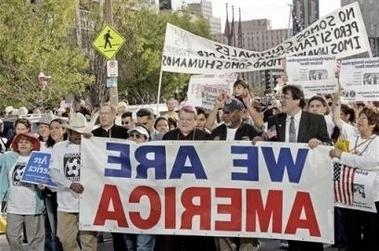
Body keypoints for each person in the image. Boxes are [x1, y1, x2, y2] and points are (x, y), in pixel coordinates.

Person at [263, 85, 330, 251]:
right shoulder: (274, 120)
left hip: (310, 182)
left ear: (297, 100)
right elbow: (271, 145)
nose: (281, 101)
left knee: (310, 227)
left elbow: (328, 144)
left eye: (285, 97)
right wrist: (259, 140)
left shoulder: (315, 120)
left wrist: (320, 144)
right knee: (292, 225)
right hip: (285, 182)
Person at [160, 105, 215, 251]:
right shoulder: (168, 137)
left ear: (196, 121)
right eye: (182, 119)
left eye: (188, 120)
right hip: (174, 194)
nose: (184, 123)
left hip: (198, 195)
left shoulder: (205, 138)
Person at [330, 87, 379, 250]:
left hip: (373, 197)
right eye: (359, 117)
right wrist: (337, 99)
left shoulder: (377, 141)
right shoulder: (352, 136)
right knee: (352, 236)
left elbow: (370, 162)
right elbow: (337, 120)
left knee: (372, 236)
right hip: (350, 196)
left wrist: (343, 156)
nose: (358, 120)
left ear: (372, 123)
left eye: (363, 118)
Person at [209, 97, 260, 251]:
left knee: (246, 225)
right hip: (222, 186)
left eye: (229, 112)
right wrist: (215, 107)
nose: (225, 115)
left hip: (245, 187)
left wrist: (260, 141)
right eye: (223, 112)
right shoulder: (217, 131)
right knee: (222, 226)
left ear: (240, 113)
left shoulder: (250, 130)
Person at [50, 113, 97, 251]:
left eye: (81, 133)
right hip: (65, 203)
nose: (78, 136)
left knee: (89, 242)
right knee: (66, 240)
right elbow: (53, 171)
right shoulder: (59, 148)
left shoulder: (93, 147)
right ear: (69, 131)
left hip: (88, 202)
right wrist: (69, 184)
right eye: (75, 132)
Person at [0, 133, 45, 251]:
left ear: (33, 145)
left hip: (33, 205)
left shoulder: (39, 159)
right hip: (13, 206)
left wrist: (42, 185)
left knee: (35, 240)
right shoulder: (8, 157)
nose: (23, 144)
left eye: (27, 142)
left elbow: (45, 181)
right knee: (12, 236)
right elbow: (3, 180)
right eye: (20, 142)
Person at [124, 125, 156, 251]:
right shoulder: (120, 158)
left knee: (143, 246)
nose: (134, 139)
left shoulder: (155, 158)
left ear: (146, 140)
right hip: (126, 208)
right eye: (131, 135)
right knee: (130, 245)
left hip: (146, 208)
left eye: (138, 136)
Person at [43, 118, 67, 251]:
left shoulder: (71, 147)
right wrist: (40, 182)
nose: (53, 130)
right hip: (50, 194)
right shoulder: (45, 148)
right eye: (51, 127)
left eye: (57, 127)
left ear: (64, 130)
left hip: (68, 194)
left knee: (66, 232)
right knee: (54, 230)